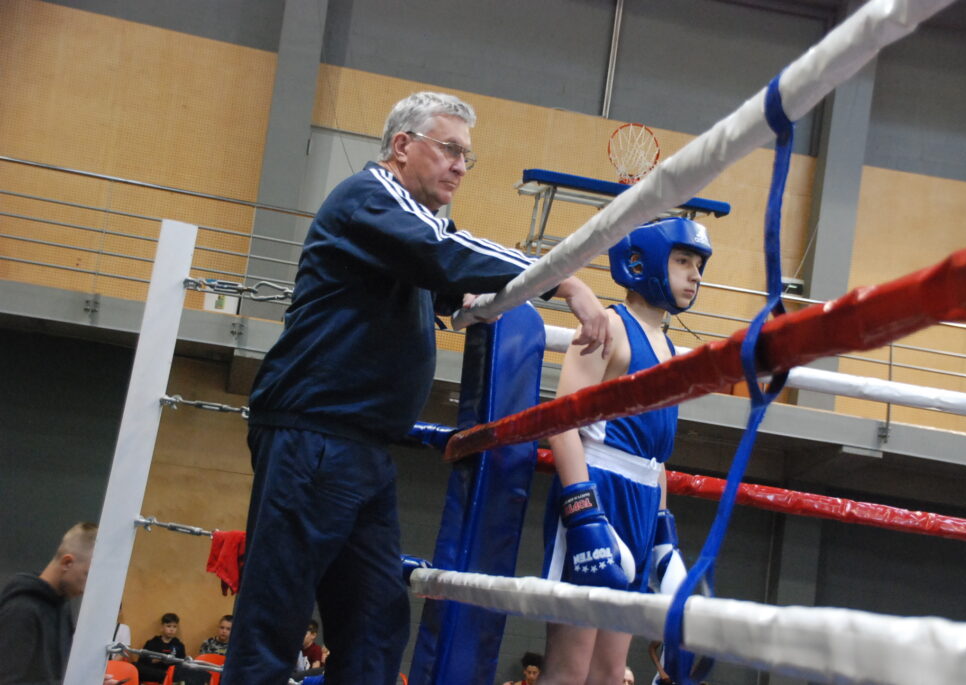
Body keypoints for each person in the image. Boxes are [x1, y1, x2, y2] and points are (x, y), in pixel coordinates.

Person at [221, 91, 610, 685]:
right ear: (402, 146)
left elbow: (439, 268)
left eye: (466, 156)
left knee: (376, 624)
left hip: (362, 448)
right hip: (315, 436)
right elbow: (441, 253)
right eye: (450, 149)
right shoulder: (370, 197)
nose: (460, 165)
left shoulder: (404, 223)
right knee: (274, 624)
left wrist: (469, 296)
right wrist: (564, 278)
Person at [538, 217, 711, 685]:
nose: (695, 275)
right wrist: (583, 513)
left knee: (610, 672)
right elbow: (560, 423)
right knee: (570, 667)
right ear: (644, 262)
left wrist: (664, 533)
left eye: (698, 265)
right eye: (682, 261)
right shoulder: (608, 326)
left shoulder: (670, 348)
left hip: (643, 502)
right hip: (597, 490)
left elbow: (656, 457)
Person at [0, 521, 97, 685]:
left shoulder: (62, 606)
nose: (88, 587)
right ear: (67, 563)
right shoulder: (21, 610)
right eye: (87, 575)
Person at [137, 613, 186, 683]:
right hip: (153, 673)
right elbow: (141, 661)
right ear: (162, 627)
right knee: (135, 666)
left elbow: (182, 664)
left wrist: (170, 661)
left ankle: (166, 676)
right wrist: (154, 660)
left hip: (170, 673)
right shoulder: (152, 642)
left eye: (174, 627)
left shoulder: (179, 645)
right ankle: (164, 676)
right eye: (168, 626)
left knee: (186, 671)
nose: (171, 629)